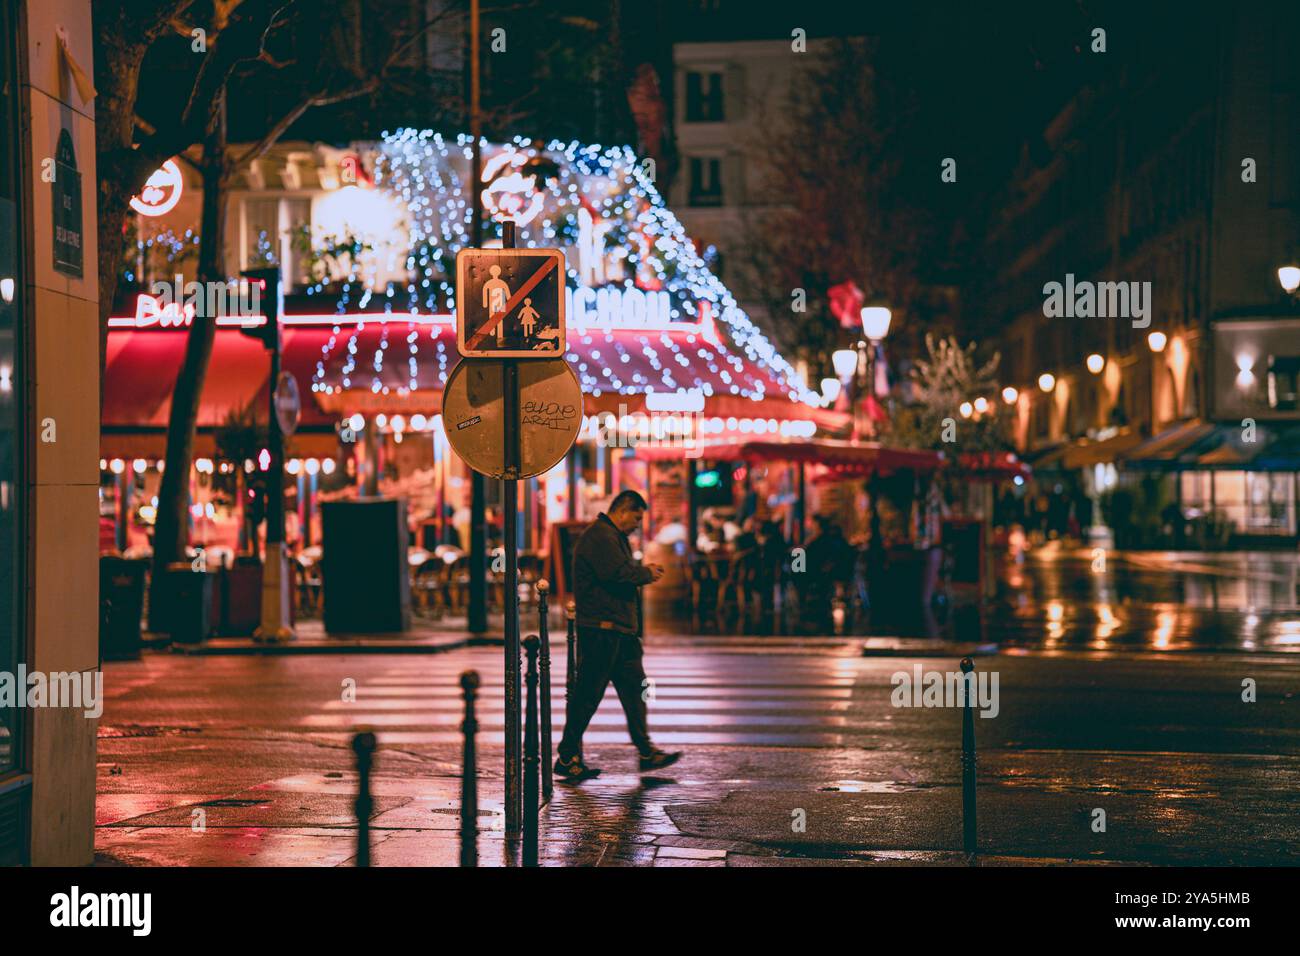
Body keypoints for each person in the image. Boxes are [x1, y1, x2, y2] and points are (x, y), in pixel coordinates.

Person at [555, 490, 682, 781]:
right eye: (636, 517)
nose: (637, 523)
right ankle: (567, 754)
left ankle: (646, 751)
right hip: (602, 630)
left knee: (635, 692)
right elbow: (617, 573)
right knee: (588, 695)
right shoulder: (600, 536)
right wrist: (645, 573)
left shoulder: (612, 536)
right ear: (622, 511)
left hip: (620, 632)